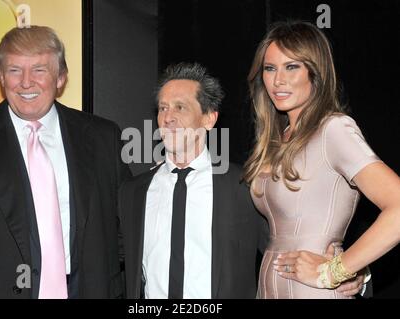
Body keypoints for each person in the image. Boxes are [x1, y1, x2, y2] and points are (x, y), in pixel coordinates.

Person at [118, 62, 362, 299]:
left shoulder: (246, 187)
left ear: (209, 119)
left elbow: (290, 247)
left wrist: (352, 272)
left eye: (180, 107)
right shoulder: (133, 192)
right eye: (163, 108)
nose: (168, 117)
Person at [0, 26, 130, 298]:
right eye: (14, 70)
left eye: (39, 70)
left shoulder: (103, 137)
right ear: (0, 77)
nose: (26, 82)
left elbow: (125, 225)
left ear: (60, 78)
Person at [243, 21, 400, 298]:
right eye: (270, 68)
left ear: (315, 72)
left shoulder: (334, 130)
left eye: (292, 66)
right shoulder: (277, 139)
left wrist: (339, 270)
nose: (278, 80)